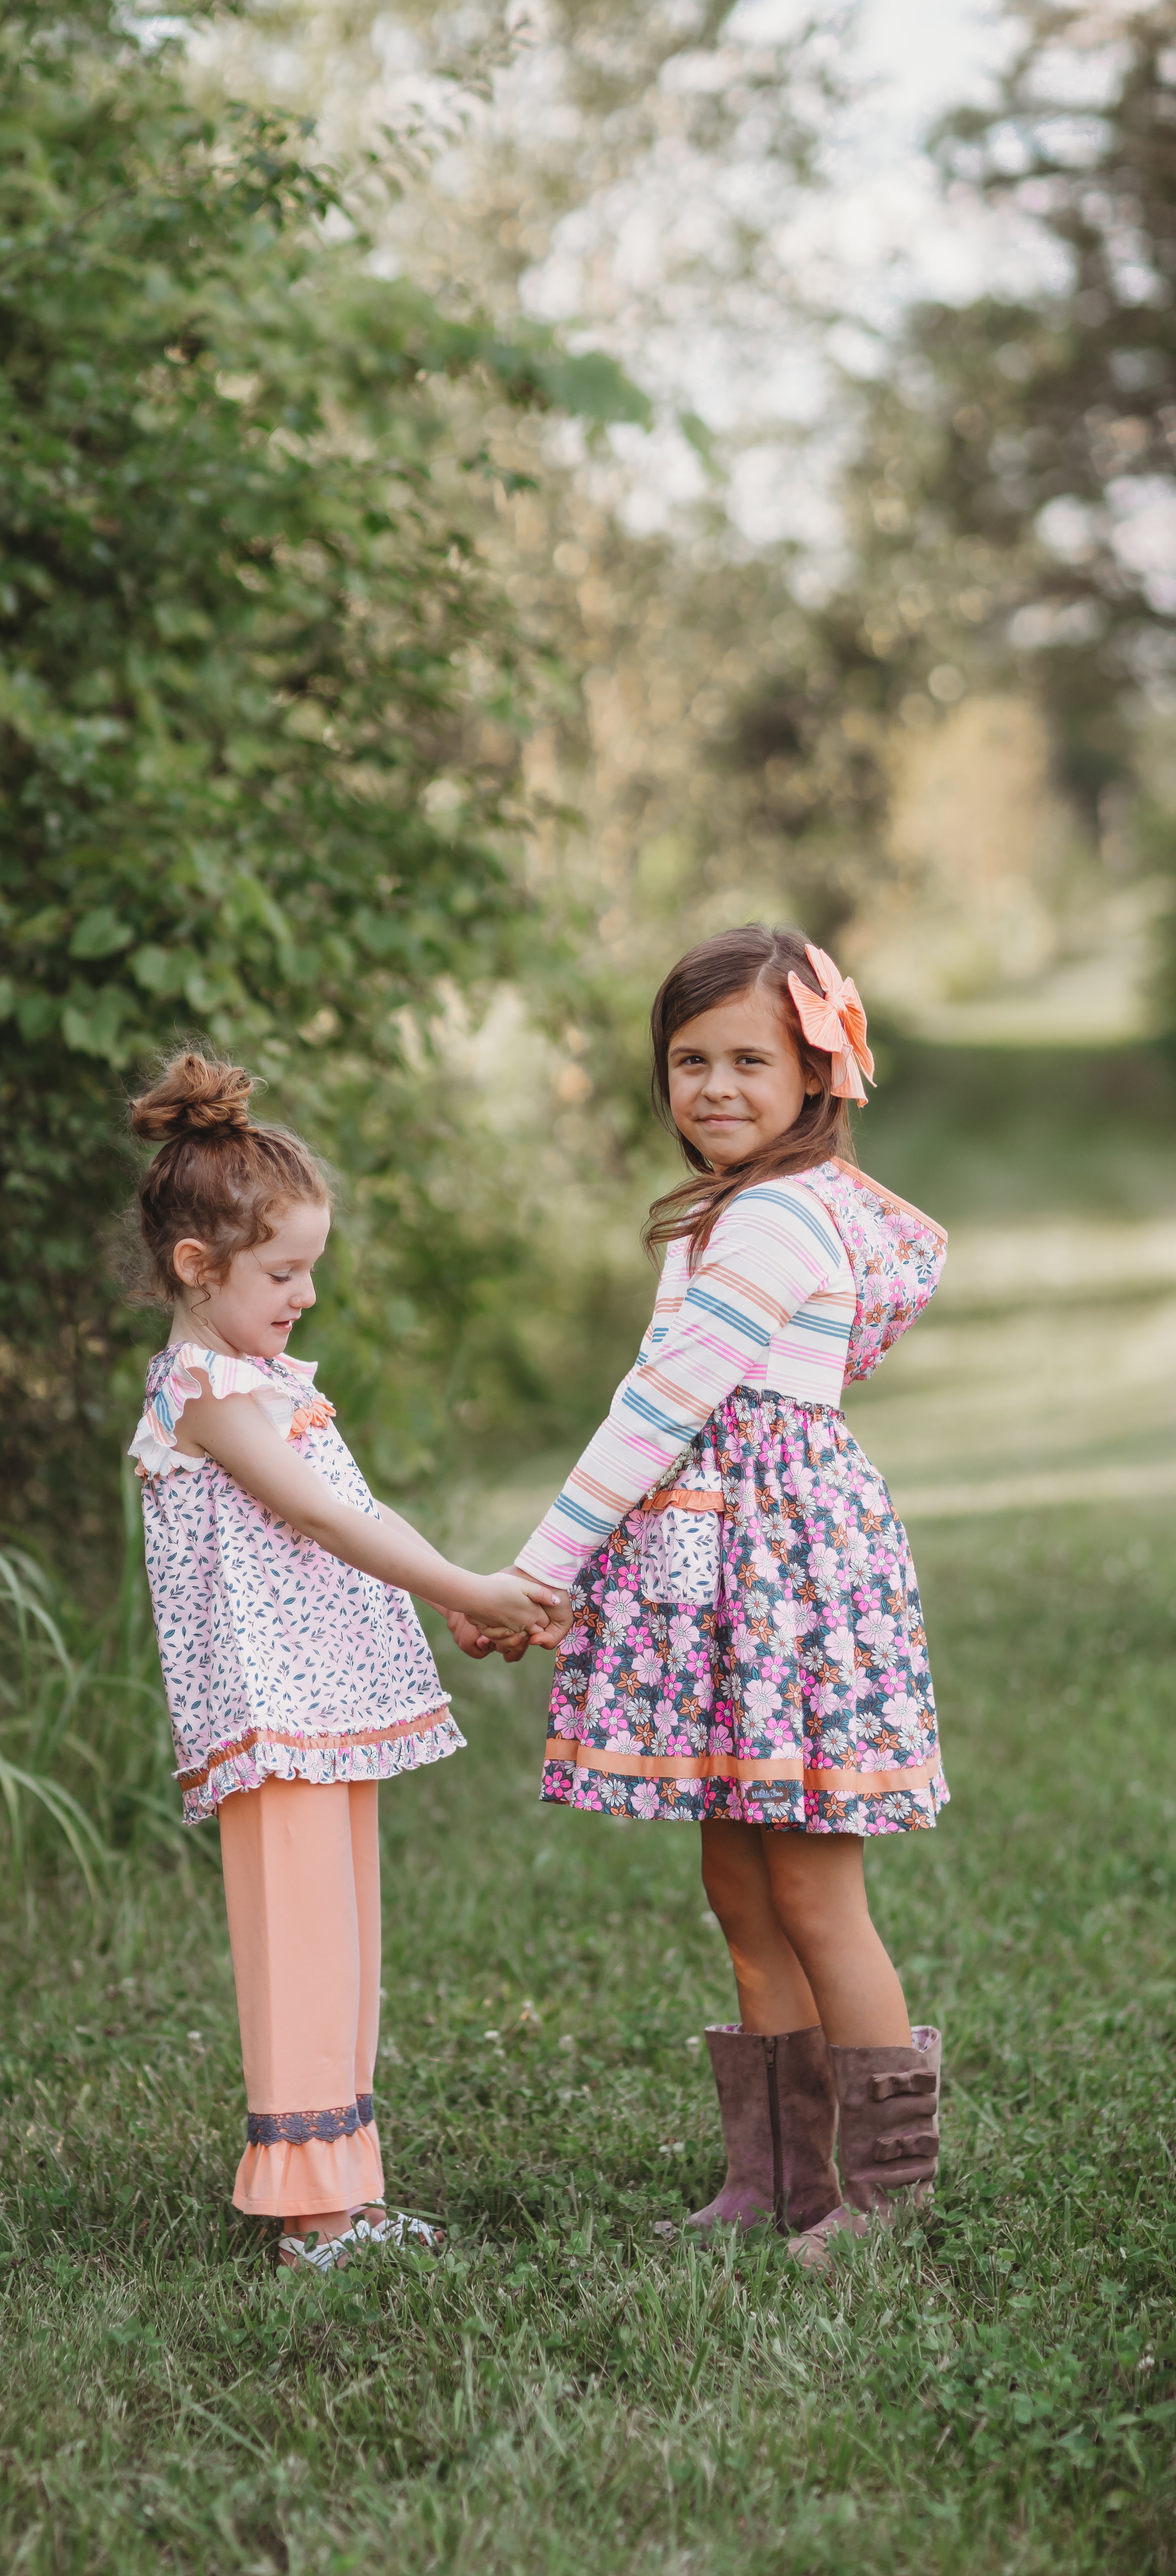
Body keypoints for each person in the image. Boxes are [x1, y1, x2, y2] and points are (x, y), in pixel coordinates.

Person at [459, 924, 949, 2263]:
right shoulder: (733, 1212)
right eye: (689, 1061)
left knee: (813, 1894)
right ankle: (778, 2175)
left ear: (817, 1072)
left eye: (750, 1059)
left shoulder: (783, 1217)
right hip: (720, 1581)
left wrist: (534, 1574)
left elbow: (663, 1404)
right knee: (739, 1887)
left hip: (781, 1585)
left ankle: (883, 2197)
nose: (716, 1086)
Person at [125, 1049, 564, 2271]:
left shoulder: (264, 1379)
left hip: (325, 1709)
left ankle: (348, 2195)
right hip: (273, 1717)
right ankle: (310, 2209)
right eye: (283, 1272)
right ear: (195, 1270)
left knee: (348, 1943)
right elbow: (323, 1521)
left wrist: (461, 1601)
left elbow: (357, 1517)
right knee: (303, 1945)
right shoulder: (208, 1395)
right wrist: (464, 1587)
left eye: (311, 1268)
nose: (307, 1293)